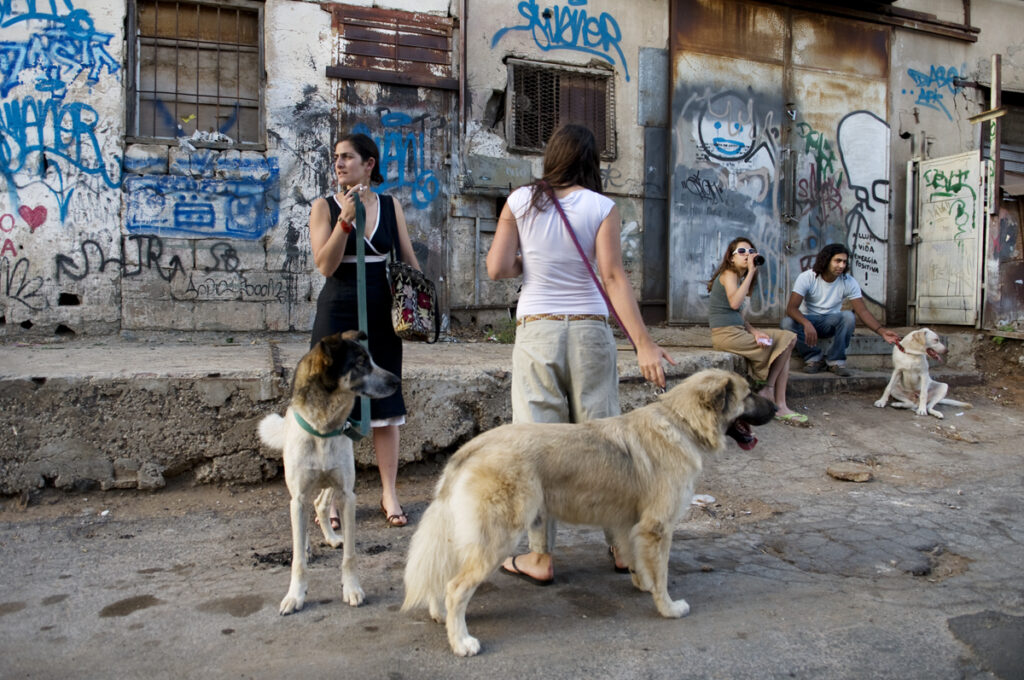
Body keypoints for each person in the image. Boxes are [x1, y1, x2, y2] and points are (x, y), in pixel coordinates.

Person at [485, 123, 676, 585]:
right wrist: (644, 343)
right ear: (591, 162)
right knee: (606, 443)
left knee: (536, 447)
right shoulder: (602, 207)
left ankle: (539, 556)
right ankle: (624, 548)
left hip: (538, 331)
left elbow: (497, 268)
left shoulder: (519, 201)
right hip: (590, 331)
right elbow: (612, 277)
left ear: (551, 157)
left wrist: (530, 259)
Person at [308, 132, 420, 528]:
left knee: (386, 402)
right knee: (333, 406)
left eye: (348, 157)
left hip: (380, 310)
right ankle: (330, 499)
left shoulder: (390, 206)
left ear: (369, 164)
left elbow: (407, 257)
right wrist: (344, 221)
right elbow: (325, 265)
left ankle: (389, 492)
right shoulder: (323, 207)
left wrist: (421, 302)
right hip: (337, 309)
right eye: (336, 157)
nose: (339, 164)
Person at [707, 237, 807, 426]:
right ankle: (769, 390)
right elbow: (734, 303)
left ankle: (780, 403)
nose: (747, 255)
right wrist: (752, 272)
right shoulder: (729, 273)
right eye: (742, 252)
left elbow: (739, 316)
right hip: (726, 336)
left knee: (785, 344)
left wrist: (755, 332)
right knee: (787, 339)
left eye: (751, 251)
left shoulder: (741, 279)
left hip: (737, 332)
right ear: (731, 257)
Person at [782, 243, 901, 376]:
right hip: (808, 321)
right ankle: (814, 359)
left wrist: (881, 331)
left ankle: (836, 361)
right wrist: (806, 323)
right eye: (837, 261)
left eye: (844, 262)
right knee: (787, 323)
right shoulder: (807, 277)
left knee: (848, 317)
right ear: (826, 260)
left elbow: (862, 311)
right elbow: (791, 308)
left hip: (830, 322)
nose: (842, 265)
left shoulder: (848, 281)